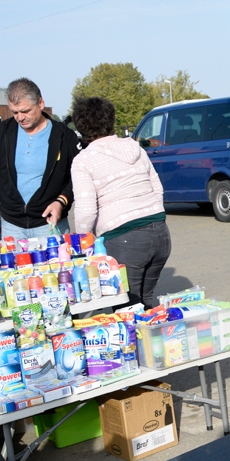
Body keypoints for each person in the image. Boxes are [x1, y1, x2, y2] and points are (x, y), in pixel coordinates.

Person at [70, 96, 171, 309]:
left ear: (81, 126)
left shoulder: (84, 160)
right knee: (145, 303)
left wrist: (82, 243)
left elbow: (86, 210)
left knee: (126, 308)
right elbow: (157, 188)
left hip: (124, 239)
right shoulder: (136, 148)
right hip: (160, 233)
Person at [0, 78, 78, 241]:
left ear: (40, 103)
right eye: (15, 112)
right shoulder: (1, 133)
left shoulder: (64, 136)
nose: (20, 117)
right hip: (12, 228)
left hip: (50, 226)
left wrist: (61, 201)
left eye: (25, 111)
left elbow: (77, 176)